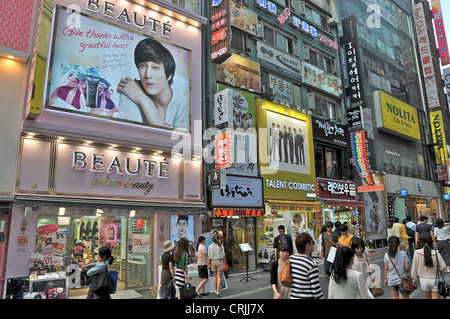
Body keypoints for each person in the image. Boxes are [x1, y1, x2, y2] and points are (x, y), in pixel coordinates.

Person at [117, 38, 189, 130]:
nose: (147, 75)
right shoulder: (130, 89)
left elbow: (177, 141)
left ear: (169, 75)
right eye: (142, 66)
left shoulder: (185, 100)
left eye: (155, 67)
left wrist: (142, 98)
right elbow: (131, 134)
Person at [411, 233, 446, 299]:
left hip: (423, 280)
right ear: (431, 242)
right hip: (435, 280)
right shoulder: (436, 253)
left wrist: (414, 280)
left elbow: (414, 269)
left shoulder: (417, 253)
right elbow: (443, 267)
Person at [290, 233, 324, 299]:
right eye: (312, 242)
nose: (313, 245)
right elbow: (316, 289)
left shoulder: (291, 259)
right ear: (307, 245)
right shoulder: (311, 264)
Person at [208, 233, 226, 298]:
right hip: (219, 261)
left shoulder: (210, 246)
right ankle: (218, 291)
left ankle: (215, 290)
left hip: (212, 262)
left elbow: (209, 256)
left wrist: (208, 264)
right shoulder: (220, 246)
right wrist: (225, 262)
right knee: (219, 277)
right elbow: (223, 255)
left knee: (215, 277)